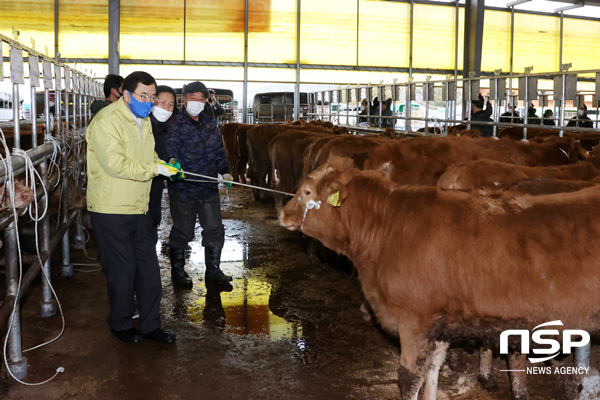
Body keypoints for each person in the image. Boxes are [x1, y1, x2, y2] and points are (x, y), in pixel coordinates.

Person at [86, 71, 179, 344]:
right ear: (125, 94)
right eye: (144, 96)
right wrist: (154, 168)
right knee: (122, 270)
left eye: (152, 97)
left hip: (140, 206)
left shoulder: (144, 121)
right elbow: (116, 165)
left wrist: (162, 165)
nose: (149, 102)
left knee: (149, 270)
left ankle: (151, 325)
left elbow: (147, 155)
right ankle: (121, 322)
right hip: (111, 207)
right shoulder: (106, 121)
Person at [166, 81, 234, 288]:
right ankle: (177, 270)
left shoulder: (210, 124)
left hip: (208, 188)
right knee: (183, 231)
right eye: (192, 98)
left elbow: (218, 152)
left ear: (206, 101)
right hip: (183, 190)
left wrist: (225, 171)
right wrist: (171, 162)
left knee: (214, 230)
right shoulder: (175, 124)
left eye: (201, 98)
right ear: (184, 99)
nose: (197, 102)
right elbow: (171, 147)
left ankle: (213, 269)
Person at [149, 85, 177, 244]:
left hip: (155, 191)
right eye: (162, 102)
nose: (166, 108)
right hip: (140, 197)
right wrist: (159, 167)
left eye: (171, 104)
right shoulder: (143, 126)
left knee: (152, 231)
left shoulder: (163, 128)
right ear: (153, 101)